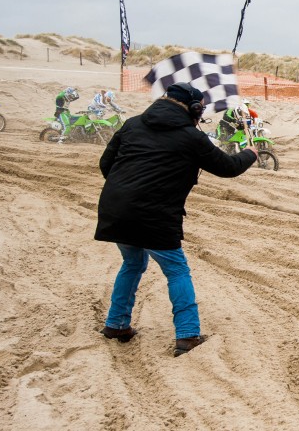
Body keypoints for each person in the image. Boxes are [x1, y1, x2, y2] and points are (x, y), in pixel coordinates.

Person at [95, 82, 258, 357]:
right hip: (155, 215)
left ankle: (116, 324)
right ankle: (187, 335)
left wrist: (129, 188)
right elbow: (228, 168)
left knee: (132, 263)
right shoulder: (190, 137)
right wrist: (250, 154)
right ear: (194, 108)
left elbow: (105, 165)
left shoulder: (132, 124)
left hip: (116, 209)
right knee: (177, 270)